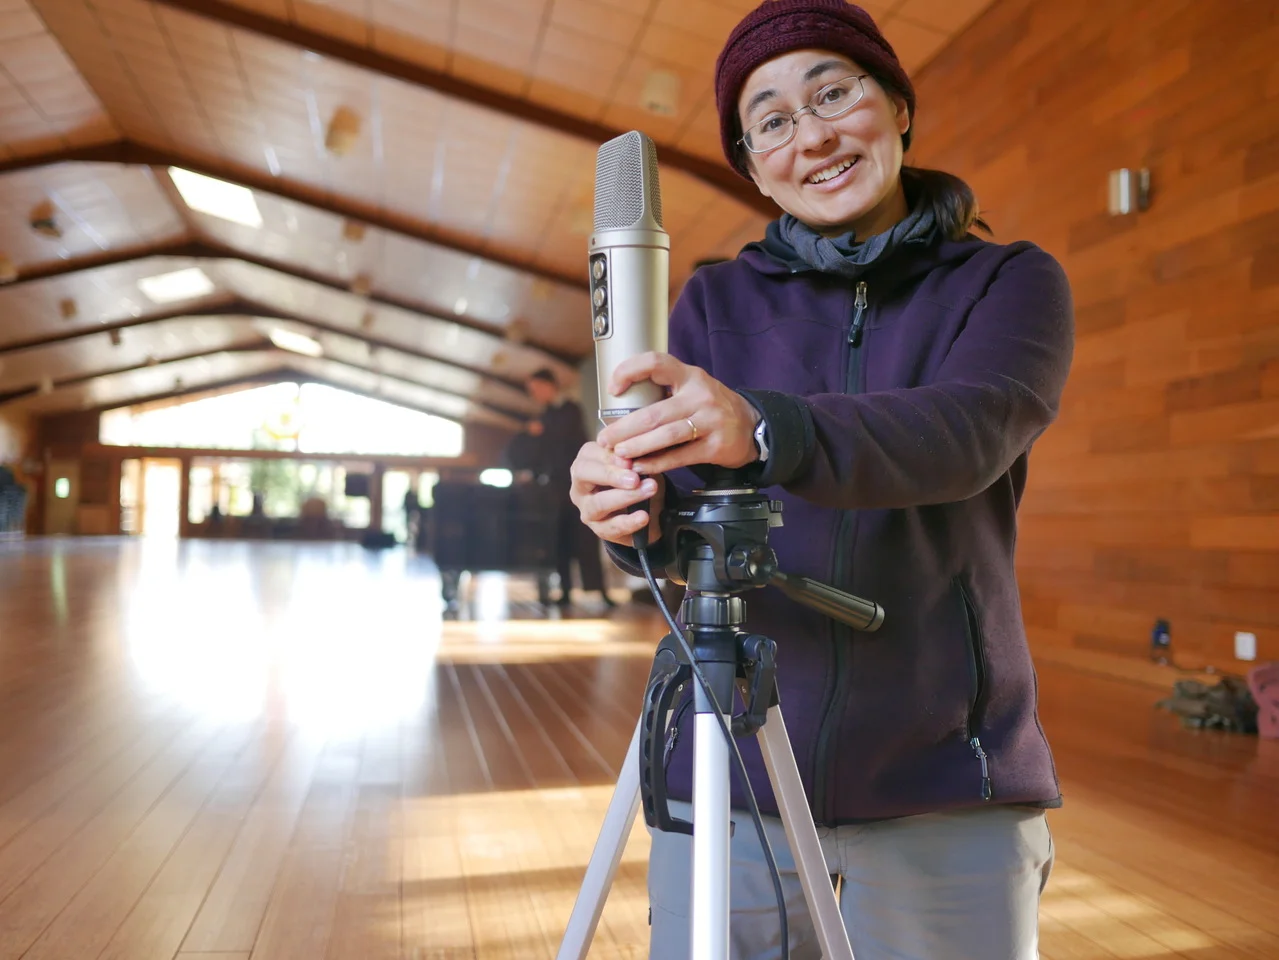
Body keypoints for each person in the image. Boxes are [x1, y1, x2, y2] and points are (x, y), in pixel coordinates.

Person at [567, 1, 1075, 958]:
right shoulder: (711, 300)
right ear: (753, 167)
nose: (812, 135)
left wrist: (764, 426)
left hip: (942, 781)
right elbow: (673, 530)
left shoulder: (1008, 282)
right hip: (728, 774)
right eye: (772, 121)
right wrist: (620, 510)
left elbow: (967, 433)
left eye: (833, 93)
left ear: (896, 107)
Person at [512, 368, 615, 608]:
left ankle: (599, 591)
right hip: (554, 490)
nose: (534, 394)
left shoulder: (570, 410)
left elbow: (573, 445)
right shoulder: (543, 417)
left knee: (585, 539)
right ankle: (565, 591)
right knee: (559, 540)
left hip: (575, 484)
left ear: (549, 385)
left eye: (536, 388)